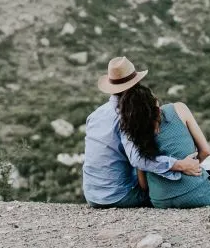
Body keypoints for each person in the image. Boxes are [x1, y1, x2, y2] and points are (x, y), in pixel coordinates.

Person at [82, 56, 202, 208]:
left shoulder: (95, 115)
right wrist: (180, 165)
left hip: (92, 195)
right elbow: (137, 159)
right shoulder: (125, 116)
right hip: (117, 197)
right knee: (165, 193)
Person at [118, 84, 210, 208]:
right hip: (196, 194)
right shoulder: (179, 108)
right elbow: (206, 151)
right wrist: (193, 166)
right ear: (154, 102)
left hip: (160, 200)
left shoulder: (136, 133)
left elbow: (144, 185)